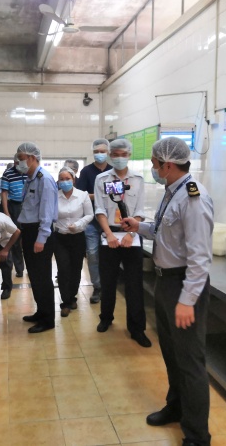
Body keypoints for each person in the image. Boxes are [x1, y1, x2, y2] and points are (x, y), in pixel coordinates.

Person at [122, 137, 213, 446]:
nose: (153, 168)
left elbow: (200, 257)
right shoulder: (172, 192)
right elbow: (165, 232)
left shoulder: (193, 198)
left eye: (155, 164)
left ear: (168, 165)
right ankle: (176, 408)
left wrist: (187, 300)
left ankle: (197, 436)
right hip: (166, 282)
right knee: (172, 355)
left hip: (183, 284)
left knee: (190, 362)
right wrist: (139, 226)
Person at [93, 138, 151, 347]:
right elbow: (100, 209)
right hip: (109, 235)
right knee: (108, 281)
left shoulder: (138, 179)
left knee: (134, 284)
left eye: (123, 154)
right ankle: (106, 318)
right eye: (115, 155)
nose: (119, 158)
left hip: (131, 237)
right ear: (110, 155)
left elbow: (140, 211)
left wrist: (131, 234)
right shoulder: (102, 179)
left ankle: (137, 329)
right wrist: (109, 234)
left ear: (129, 155)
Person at [16, 142, 59, 333]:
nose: (19, 162)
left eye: (21, 159)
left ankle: (48, 320)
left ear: (32, 158)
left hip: (39, 232)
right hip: (29, 231)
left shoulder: (44, 179)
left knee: (42, 277)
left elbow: (47, 213)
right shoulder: (30, 179)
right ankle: (41, 312)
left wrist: (41, 238)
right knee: (34, 275)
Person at [76, 139, 112, 304]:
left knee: (108, 255)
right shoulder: (86, 171)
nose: (99, 154)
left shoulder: (113, 171)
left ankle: (108, 285)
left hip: (110, 220)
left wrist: (96, 194)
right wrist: (100, 194)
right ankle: (97, 286)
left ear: (108, 152)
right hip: (91, 219)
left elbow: (117, 195)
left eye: (102, 151)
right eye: (96, 151)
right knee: (92, 254)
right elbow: (81, 195)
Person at [54, 166, 94, 317]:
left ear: (73, 180)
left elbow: (89, 215)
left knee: (76, 269)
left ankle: (72, 297)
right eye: (61, 179)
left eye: (67, 179)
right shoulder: (54, 196)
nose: (64, 182)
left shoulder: (83, 195)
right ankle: (65, 302)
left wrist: (78, 224)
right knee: (63, 269)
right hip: (60, 238)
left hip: (78, 237)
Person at [0, 154, 26, 278]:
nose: (18, 165)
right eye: (16, 163)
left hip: (28, 206)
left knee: (27, 238)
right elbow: (4, 193)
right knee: (14, 238)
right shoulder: (8, 174)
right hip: (14, 206)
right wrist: (6, 212)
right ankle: (19, 269)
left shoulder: (28, 172)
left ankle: (30, 266)